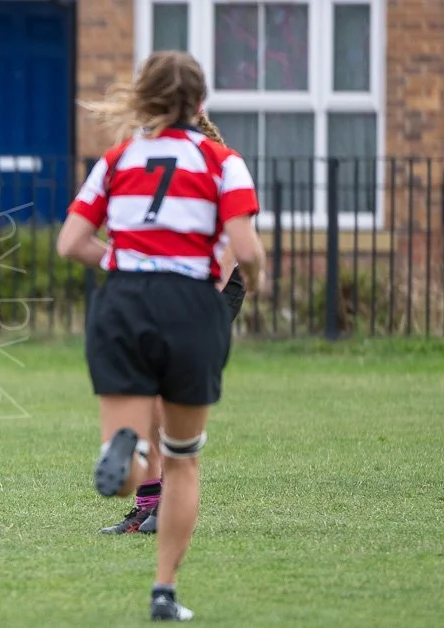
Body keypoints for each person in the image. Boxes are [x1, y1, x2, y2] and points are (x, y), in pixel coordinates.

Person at [56, 50, 267, 621]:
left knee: (129, 451)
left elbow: (70, 242)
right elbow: (244, 250)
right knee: (183, 459)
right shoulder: (224, 162)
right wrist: (261, 274)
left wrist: (123, 262)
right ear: (200, 104)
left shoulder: (118, 159)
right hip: (189, 306)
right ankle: (164, 593)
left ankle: (124, 458)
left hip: (122, 301)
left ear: (143, 99)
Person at [98, 113, 250, 536]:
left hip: (209, 291)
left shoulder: (218, 169)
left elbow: (227, 259)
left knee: (166, 398)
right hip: (168, 290)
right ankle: (147, 508)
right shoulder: (156, 175)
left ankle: (168, 502)